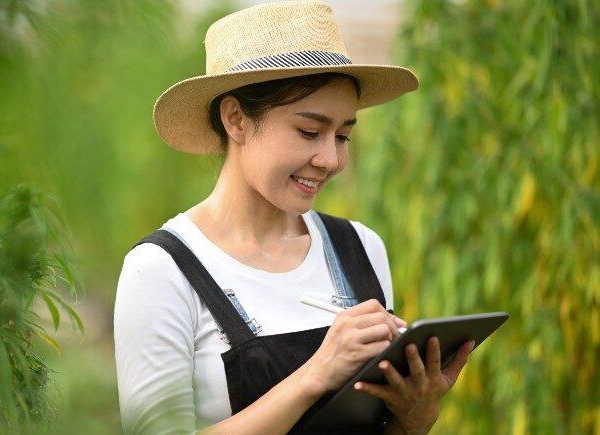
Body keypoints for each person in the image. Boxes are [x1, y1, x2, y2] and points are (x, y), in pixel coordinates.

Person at [113, 1, 475, 433]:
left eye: (342, 135)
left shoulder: (359, 248)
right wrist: (316, 373)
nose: (330, 159)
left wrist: (416, 415)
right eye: (308, 131)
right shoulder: (161, 271)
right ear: (236, 120)